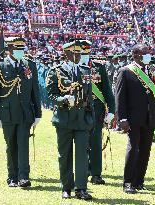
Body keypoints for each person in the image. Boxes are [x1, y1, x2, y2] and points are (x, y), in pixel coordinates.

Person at [46, 40, 94, 199]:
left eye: (80, 53)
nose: (79, 56)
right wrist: (64, 99)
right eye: (75, 53)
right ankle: (66, 187)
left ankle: (81, 188)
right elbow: (51, 95)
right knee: (64, 154)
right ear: (66, 53)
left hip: (81, 119)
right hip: (64, 118)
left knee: (82, 154)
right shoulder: (56, 71)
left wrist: (90, 118)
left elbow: (89, 98)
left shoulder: (86, 71)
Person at [115, 44, 155, 194]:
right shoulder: (125, 72)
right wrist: (122, 118)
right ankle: (128, 182)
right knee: (133, 149)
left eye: (149, 53)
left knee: (145, 150)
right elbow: (120, 97)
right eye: (145, 53)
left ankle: (139, 181)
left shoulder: (152, 72)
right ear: (136, 55)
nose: (148, 56)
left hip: (150, 118)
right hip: (133, 118)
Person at [0, 37, 42, 187]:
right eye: (18, 49)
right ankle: (12, 177)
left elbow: (35, 90)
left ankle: (23, 176)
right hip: (7, 113)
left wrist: (38, 113)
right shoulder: (0, 67)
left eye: (22, 49)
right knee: (11, 146)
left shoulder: (30, 66)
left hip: (25, 113)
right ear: (9, 49)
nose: (21, 52)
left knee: (23, 144)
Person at [84, 46, 115, 185]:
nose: (84, 55)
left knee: (96, 143)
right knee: (82, 142)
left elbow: (107, 91)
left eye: (86, 53)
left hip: (97, 111)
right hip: (80, 111)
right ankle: (83, 171)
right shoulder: (73, 67)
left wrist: (111, 111)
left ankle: (96, 174)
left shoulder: (98, 67)